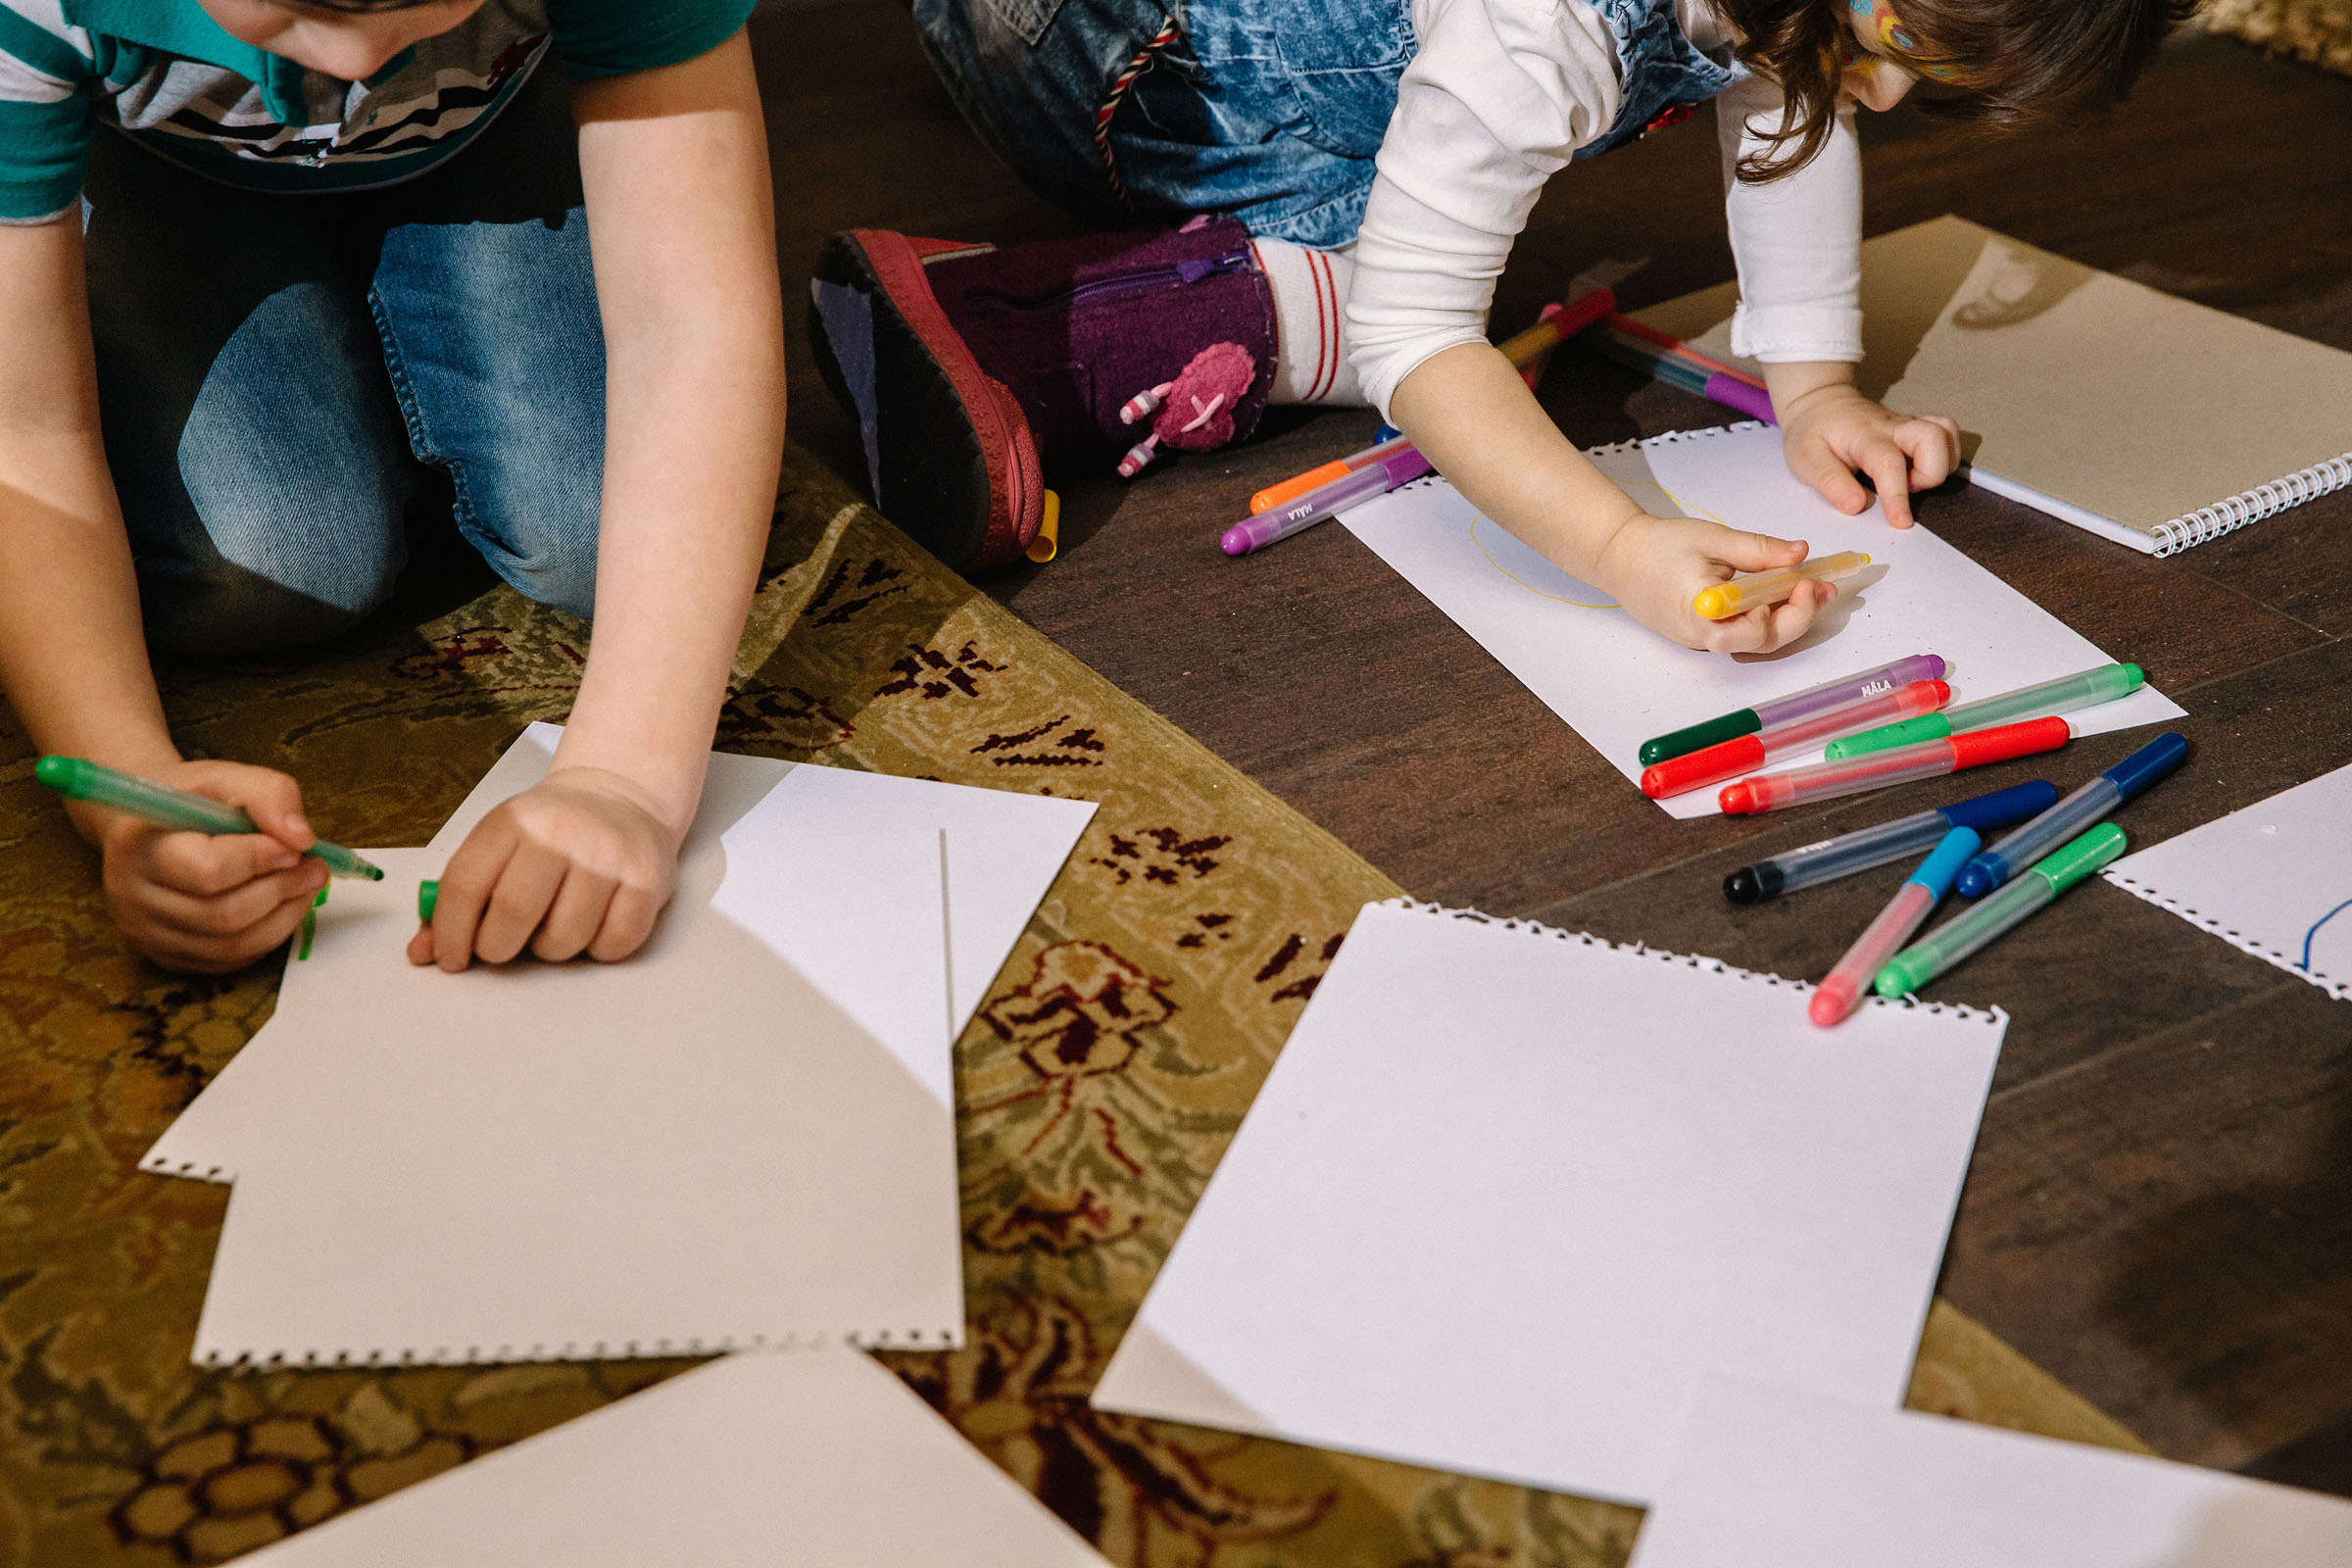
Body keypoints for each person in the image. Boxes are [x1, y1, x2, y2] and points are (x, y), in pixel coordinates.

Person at [813, 0, 2187, 638]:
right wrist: (1618, 548)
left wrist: (1816, 385)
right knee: (1433, 333)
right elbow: (1417, 339)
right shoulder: (1542, 26)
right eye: (1901, 53)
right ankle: (1010, 323)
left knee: (1473, 300)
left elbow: (1794, 100)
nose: (1885, 103)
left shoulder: (1799, 17)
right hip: (1093, 60)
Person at [0, 0, 787, 974]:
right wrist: (124, 783)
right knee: (275, 557)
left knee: (592, 531)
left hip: (487, 108)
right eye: (308, 4)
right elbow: (23, 426)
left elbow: (692, 329)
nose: (362, 57)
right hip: (157, 158)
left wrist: (625, 778)